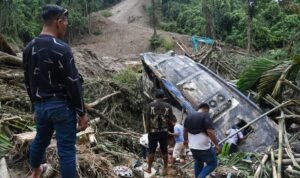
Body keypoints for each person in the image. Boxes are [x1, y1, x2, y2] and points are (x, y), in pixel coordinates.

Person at [23, 4, 88, 178]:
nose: (67, 26)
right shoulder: (62, 48)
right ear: (58, 22)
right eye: (65, 22)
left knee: (40, 140)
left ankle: (36, 172)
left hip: (41, 107)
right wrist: (82, 113)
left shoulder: (29, 48)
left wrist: (34, 107)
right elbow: (73, 83)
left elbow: (28, 81)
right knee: (66, 150)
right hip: (61, 107)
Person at [184, 103, 219, 178]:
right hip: (203, 147)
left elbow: (185, 131)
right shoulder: (205, 115)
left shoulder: (189, 116)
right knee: (212, 164)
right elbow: (210, 131)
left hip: (192, 146)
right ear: (206, 109)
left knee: (198, 162)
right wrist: (216, 144)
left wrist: (186, 141)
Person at [144, 89, 173, 175]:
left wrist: (148, 130)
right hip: (163, 132)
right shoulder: (168, 106)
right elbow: (170, 120)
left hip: (153, 132)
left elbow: (147, 119)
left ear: (155, 96)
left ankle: (149, 168)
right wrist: (169, 130)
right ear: (163, 97)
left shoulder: (150, 105)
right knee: (164, 150)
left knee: (151, 150)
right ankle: (165, 167)